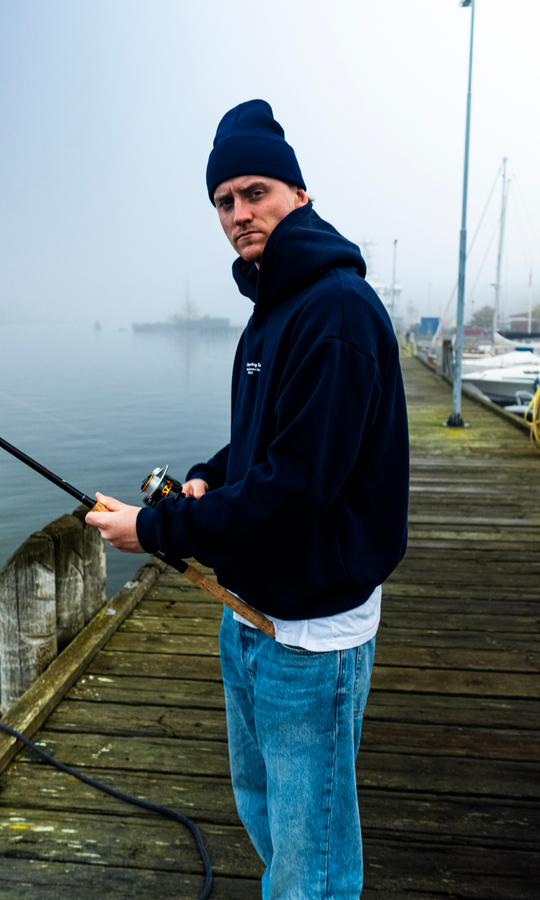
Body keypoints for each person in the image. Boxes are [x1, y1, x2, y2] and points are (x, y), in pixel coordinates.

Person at [87, 99, 409, 899]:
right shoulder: (272, 308)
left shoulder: (334, 309)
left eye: (255, 191)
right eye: (223, 201)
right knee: (266, 814)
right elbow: (263, 448)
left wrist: (157, 528)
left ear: (298, 193)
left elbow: (296, 490)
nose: (238, 213)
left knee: (314, 861)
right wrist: (209, 476)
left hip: (312, 632)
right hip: (252, 612)